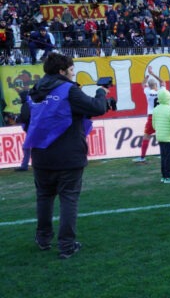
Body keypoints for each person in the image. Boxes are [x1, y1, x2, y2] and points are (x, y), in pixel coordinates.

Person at [22, 53, 109, 259]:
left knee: (44, 197)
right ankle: (66, 245)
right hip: (69, 155)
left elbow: (25, 118)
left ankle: (43, 239)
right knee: (69, 199)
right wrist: (101, 93)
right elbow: (97, 108)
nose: (73, 73)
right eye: (71, 70)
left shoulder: (35, 91)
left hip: (41, 154)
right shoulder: (68, 89)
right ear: (62, 71)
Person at [132, 67, 166, 163]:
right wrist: (153, 73)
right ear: (156, 85)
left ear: (149, 86)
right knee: (162, 136)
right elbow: (163, 81)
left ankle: (142, 157)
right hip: (161, 116)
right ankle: (162, 155)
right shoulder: (161, 92)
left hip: (152, 116)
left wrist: (147, 76)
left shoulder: (148, 92)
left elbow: (143, 84)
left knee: (146, 136)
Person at [152, 88, 170, 183]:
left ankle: (164, 177)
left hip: (160, 137)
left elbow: (153, 124)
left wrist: (159, 131)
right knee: (168, 158)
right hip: (169, 137)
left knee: (163, 157)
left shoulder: (155, 109)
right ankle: (168, 177)